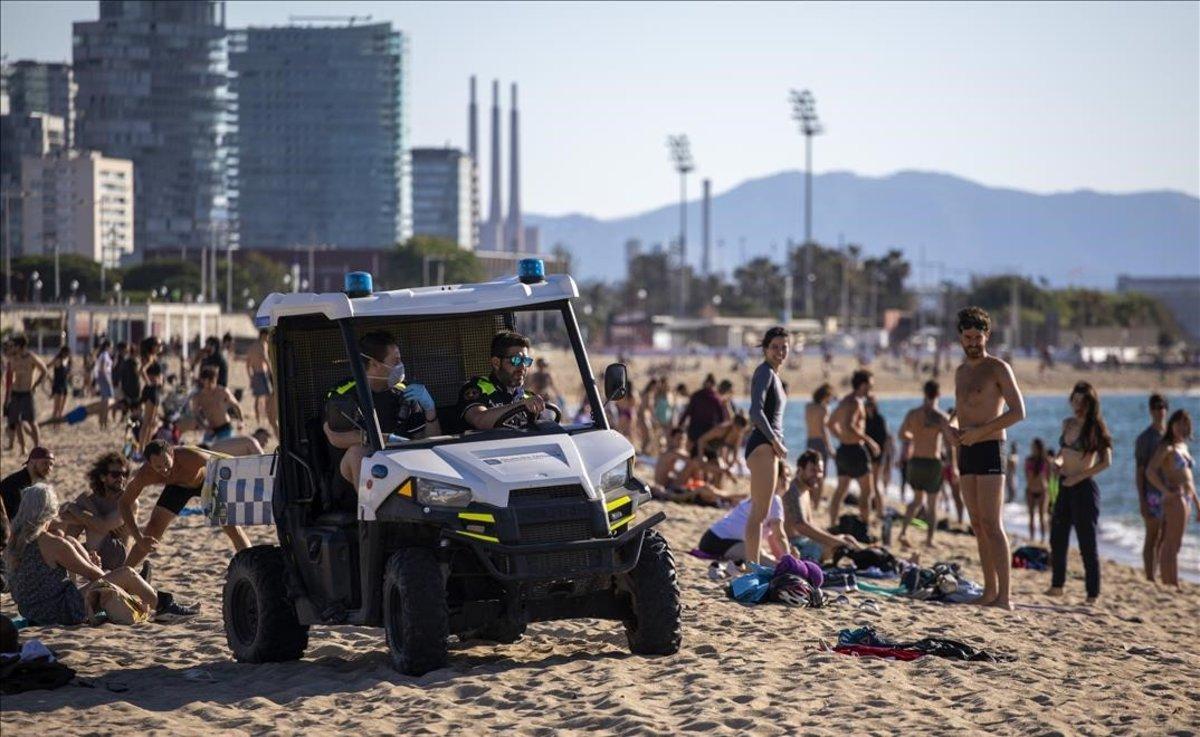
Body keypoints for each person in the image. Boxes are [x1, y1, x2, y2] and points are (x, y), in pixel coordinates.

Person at [6, 483, 197, 624]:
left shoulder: (14, 542)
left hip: (31, 611)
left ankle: (138, 591)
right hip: (58, 611)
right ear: (50, 511)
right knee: (126, 573)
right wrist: (112, 576)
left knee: (73, 542)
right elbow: (94, 575)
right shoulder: (52, 543)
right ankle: (164, 606)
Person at [949, 306, 1025, 610]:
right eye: (967, 337)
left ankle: (1004, 596)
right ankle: (989, 590)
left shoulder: (998, 368)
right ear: (960, 337)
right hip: (965, 449)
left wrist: (980, 433)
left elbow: (1018, 412)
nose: (973, 343)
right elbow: (961, 410)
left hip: (991, 447)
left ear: (987, 336)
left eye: (978, 337)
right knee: (977, 524)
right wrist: (952, 427)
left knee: (993, 523)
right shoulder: (960, 371)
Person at [325, 332, 441, 491]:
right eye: (396, 361)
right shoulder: (343, 393)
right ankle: (371, 513)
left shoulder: (405, 392)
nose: (401, 366)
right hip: (353, 480)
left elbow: (428, 442)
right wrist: (387, 439)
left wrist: (430, 410)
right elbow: (335, 436)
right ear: (374, 364)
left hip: (403, 471)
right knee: (357, 452)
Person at [119, 440, 251, 569]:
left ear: (172, 454)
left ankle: (251, 563)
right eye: (158, 467)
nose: (164, 470)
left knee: (230, 525)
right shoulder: (146, 474)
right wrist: (139, 538)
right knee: (153, 529)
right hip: (177, 487)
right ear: (150, 464)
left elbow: (223, 466)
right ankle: (121, 576)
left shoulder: (189, 456)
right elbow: (124, 503)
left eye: (166, 463)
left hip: (207, 481)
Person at [1047, 381, 1111, 604]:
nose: (1077, 406)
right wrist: (1056, 461)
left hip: (1084, 488)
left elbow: (1106, 462)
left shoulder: (1096, 428)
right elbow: (1062, 452)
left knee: (1087, 542)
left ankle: (1092, 593)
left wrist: (1080, 476)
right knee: (1057, 537)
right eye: (1074, 401)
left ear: (1090, 403)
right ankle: (1057, 586)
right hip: (1064, 485)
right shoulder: (1068, 423)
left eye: (1082, 401)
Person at [742, 327, 790, 565]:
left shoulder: (774, 375)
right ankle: (752, 567)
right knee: (759, 514)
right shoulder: (764, 372)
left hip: (767, 447)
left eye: (784, 347)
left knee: (761, 511)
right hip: (762, 446)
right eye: (775, 347)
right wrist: (774, 440)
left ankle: (753, 565)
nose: (780, 351)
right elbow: (755, 412)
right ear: (765, 349)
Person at [896, 380, 953, 549]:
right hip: (932, 462)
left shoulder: (913, 414)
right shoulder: (941, 417)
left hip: (916, 461)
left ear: (924, 393)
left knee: (916, 500)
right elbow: (951, 442)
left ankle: (903, 532)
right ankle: (929, 540)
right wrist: (955, 466)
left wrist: (915, 437)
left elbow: (901, 434)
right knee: (932, 504)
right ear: (938, 394)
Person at [459, 330, 553, 432]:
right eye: (516, 360)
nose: (522, 367)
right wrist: (520, 405)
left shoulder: (528, 397)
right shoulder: (475, 389)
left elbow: (545, 430)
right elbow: (479, 420)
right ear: (496, 363)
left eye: (526, 361)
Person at [1146, 409, 1198, 590]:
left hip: (1187, 497)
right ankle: (1171, 582)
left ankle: (1170, 581)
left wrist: (1198, 503)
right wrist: (1164, 490)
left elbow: (1189, 478)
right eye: (1179, 423)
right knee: (1171, 543)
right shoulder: (1166, 446)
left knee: (1177, 543)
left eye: (1186, 424)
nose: (1182, 427)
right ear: (1171, 425)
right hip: (1174, 497)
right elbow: (1150, 471)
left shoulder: (1182, 446)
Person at [59, 451, 133, 571]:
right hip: (95, 552)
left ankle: (94, 574)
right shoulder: (93, 498)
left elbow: (102, 527)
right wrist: (81, 513)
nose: (121, 478)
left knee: (93, 525)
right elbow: (64, 517)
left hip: (119, 557)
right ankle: (65, 575)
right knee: (70, 540)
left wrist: (73, 507)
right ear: (103, 477)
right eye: (115, 474)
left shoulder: (127, 501)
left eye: (124, 474)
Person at [698, 465, 788, 564]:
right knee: (765, 562)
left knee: (765, 557)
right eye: (785, 475)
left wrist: (783, 557)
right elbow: (780, 536)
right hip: (721, 541)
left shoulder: (759, 494)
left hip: (712, 538)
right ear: (776, 478)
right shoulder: (774, 499)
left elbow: (773, 538)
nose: (787, 480)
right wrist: (790, 560)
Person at [783, 450, 862, 561]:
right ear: (800, 470)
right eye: (813, 471)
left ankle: (866, 555)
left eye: (820, 471)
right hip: (795, 547)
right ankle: (864, 556)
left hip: (806, 541)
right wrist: (835, 541)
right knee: (838, 545)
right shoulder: (792, 491)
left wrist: (835, 539)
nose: (817, 475)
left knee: (848, 538)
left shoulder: (805, 490)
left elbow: (809, 525)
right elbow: (800, 526)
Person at [826, 370, 879, 528]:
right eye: (870, 384)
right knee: (867, 491)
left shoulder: (845, 400)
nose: (872, 387)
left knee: (840, 490)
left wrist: (841, 437)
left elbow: (830, 423)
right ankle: (865, 525)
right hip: (856, 450)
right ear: (862, 385)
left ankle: (833, 523)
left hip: (843, 449)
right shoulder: (856, 402)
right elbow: (849, 425)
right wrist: (869, 441)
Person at [1135, 394, 1169, 581]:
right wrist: (1142, 499)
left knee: (1165, 539)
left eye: (1162, 406)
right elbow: (1140, 472)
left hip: (1169, 494)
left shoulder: (1170, 436)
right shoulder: (1145, 438)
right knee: (1152, 537)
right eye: (1156, 406)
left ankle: (1160, 573)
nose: (1159, 410)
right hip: (1152, 494)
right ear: (1150, 410)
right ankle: (1150, 577)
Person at [6, 335, 47, 454]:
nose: (12, 348)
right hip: (15, 393)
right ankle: (23, 447)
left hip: (26, 392)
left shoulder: (31, 357)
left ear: (21, 346)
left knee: (31, 421)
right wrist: (8, 396)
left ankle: (37, 447)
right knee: (16, 421)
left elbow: (44, 370)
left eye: (14, 345)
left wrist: (35, 385)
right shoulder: (13, 359)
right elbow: (10, 376)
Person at [676, 374, 728, 458]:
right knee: (711, 458)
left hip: (694, 432)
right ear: (713, 385)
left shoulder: (696, 395)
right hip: (709, 433)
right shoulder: (716, 398)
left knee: (693, 457)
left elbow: (687, 413)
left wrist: (679, 425)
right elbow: (722, 418)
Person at [1, 446, 55, 523]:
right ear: (32, 462)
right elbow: (18, 517)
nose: (49, 468)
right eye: (45, 463)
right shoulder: (16, 484)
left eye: (51, 464)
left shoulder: (34, 482)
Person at [191, 366, 243, 444]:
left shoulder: (222, 391)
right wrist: (204, 426)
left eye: (213, 382)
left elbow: (236, 405)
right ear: (202, 381)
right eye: (208, 382)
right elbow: (196, 414)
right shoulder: (198, 397)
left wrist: (240, 421)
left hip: (225, 428)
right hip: (210, 430)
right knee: (205, 452)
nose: (211, 385)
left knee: (226, 450)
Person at [804, 383, 834, 508]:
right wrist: (830, 447)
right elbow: (823, 430)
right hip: (820, 443)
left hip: (810, 440)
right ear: (825, 396)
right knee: (821, 474)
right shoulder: (824, 409)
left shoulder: (808, 407)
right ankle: (816, 504)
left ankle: (808, 500)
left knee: (809, 472)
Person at [245, 328, 278, 438]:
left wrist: (250, 375)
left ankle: (259, 420)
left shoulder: (252, 346)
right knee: (268, 398)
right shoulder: (262, 345)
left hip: (255, 373)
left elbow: (248, 363)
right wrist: (272, 373)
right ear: (263, 335)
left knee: (258, 398)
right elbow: (265, 359)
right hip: (263, 374)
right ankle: (267, 420)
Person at [864, 396, 891, 514]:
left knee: (875, 484)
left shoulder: (880, 420)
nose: (869, 407)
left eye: (871, 405)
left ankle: (881, 512)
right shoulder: (864, 420)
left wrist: (885, 458)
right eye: (867, 404)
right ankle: (873, 511)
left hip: (877, 456)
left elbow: (886, 440)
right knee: (868, 486)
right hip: (866, 456)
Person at [1025, 438, 1049, 542]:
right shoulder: (1028, 460)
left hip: (1042, 490)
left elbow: (1049, 476)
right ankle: (1032, 537)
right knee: (1031, 516)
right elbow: (1026, 474)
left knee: (1042, 516)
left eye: (1034, 447)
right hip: (1030, 490)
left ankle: (1043, 538)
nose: (1032, 448)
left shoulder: (1045, 461)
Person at [206, 427, 272, 456]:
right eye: (264, 439)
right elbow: (263, 459)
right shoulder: (252, 441)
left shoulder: (245, 439)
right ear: (257, 434)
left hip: (211, 451)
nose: (264, 443)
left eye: (266, 442)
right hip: (212, 454)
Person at [92, 340, 114, 430]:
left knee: (104, 401)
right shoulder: (104, 355)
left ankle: (103, 421)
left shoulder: (103, 355)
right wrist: (108, 380)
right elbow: (103, 368)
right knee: (107, 401)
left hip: (103, 378)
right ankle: (104, 421)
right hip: (105, 378)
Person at [47, 346, 72, 423]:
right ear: (63, 352)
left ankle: (58, 424)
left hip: (64, 385)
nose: (68, 355)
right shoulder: (58, 359)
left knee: (61, 408)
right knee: (56, 408)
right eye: (67, 353)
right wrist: (50, 379)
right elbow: (46, 367)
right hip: (58, 385)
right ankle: (54, 423)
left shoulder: (68, 361)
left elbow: (68, 373)